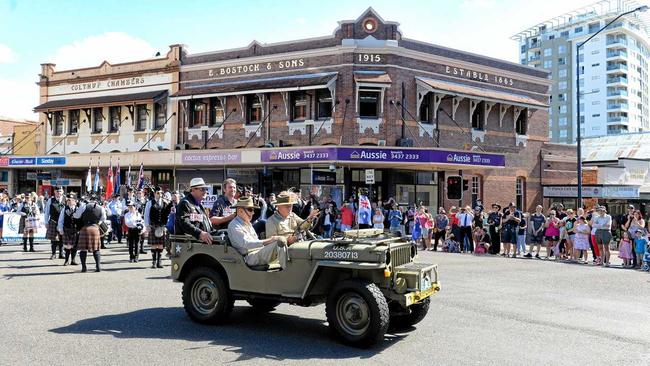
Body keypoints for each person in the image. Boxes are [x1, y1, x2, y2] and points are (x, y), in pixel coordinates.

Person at [228, 197, 287, 268]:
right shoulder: (234, 225)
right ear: (240, 211)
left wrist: (272, 240)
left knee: (281, 241)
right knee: (279, 244)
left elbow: (255, 241)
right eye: (250, 209)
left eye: (253, 210)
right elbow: (246, 244)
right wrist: (270, 240)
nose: (253, 212)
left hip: (255, 252)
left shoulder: (247, 223)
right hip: (248, 257)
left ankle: (286, 269)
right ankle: (287, 271)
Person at [175, 178, 213, 245]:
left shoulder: (199, 205)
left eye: (206, 189)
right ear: (193, 189)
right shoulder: (185, 203)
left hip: (201, 243)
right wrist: (200, 233)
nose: (205, 192)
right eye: (202, 189)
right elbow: (184, 223)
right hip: (189, 244)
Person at [74, 195, 105, 272]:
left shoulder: (84, 206)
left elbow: (76, 216)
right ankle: (98, 267)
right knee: (96, 249)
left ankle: (84, 267)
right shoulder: (101, 208)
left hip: (85, 228)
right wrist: (98, 223)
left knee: (83, 249)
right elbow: (104, 218)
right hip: (95, 229)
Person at [145, 188, 172, 268]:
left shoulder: (164, 202)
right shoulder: (149, 203)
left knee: (160, 245)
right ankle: (153, 262)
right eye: (158, 193)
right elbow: (146, 215)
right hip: (153, 225)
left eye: (161, 193)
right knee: (154, 245)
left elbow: (167, 213)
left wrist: (166, 225)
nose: (159, 194)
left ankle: (159, 262)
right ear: (154, 194)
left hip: (162, 226)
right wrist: (147, 225)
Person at [57, 193, 79, 266]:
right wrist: (60, 229)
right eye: (68, 200)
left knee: (75, 246)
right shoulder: (64, 208)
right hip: (67, 229)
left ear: (75, 200)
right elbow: (61, 220)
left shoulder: (78, 208)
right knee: (67, 246)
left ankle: (73, 260)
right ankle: (66, 260)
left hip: (76, 230)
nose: (69, 201)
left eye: (70, 200)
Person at [44, 186, 65, 259]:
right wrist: (46, 222)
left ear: (62, 192)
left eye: (60, 191)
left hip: (63, 222)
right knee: (54, 239)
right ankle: (53, 254)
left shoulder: (66, 200)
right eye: (57, 191)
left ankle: (61, 254)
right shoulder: (50, 200)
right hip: (53, 221)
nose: (59, 193)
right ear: (54, 192)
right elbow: (46, 212)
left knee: (62, 238)